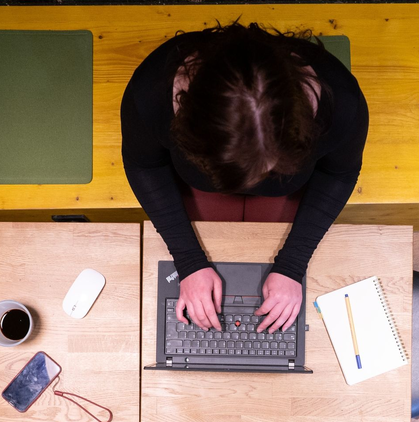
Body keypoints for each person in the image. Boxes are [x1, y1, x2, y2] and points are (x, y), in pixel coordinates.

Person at [121, 20, 369, 335]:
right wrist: (188, 263)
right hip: (202, 189)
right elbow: (144, 165)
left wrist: (293, 265)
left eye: (270, 166)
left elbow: (340, 172)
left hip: (284, 193)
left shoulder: (343, 103)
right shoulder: (150, 92)